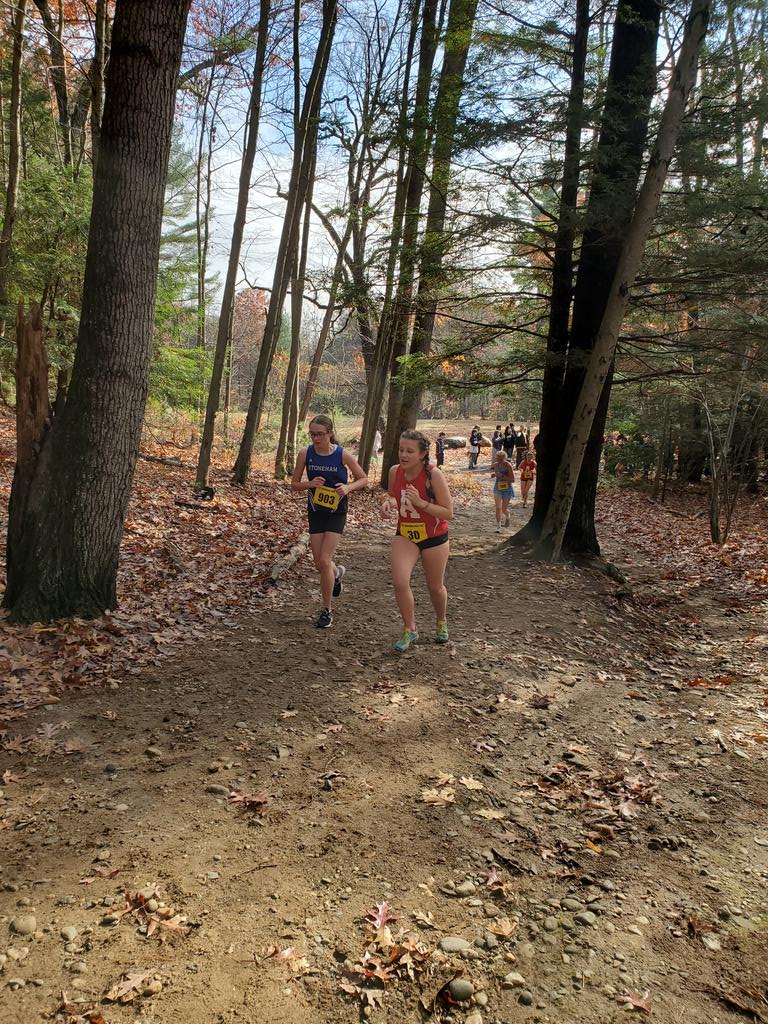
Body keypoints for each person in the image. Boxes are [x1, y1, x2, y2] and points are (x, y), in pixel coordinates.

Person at [292, 414, 367, 628]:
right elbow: (294, 484)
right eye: (313, 434)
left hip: (337, 512)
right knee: (320, 564)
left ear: (330, 434)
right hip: (316, 511)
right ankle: (337, 573)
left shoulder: (343, 455)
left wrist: (347, 488)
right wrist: (310, 484)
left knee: (324, 560)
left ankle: (326, 610)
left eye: (320, 434)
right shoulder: (306, 453)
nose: (316, 438)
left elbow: (364, 479)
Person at [381, 429, 453, 652]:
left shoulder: (434, 475)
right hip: (406, 534)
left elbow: (448, 512)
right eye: (401, 449)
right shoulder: (395, 471)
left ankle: (441, 622)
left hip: (434, 537)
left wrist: (422, 504)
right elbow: (394, 494)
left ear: (422, 454)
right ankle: (410, 628)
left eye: (409, 451)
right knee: (400, 581)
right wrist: (389, 503)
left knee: (434, 586)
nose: (403, 455)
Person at [490, 449, 515, 531]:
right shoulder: (495, 465)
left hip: (507, 489)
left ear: (505, 458)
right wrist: (494, 475)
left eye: (501, 459)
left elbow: (512, 479)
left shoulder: (508, 466)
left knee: (504, 509)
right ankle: (498, 526)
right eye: (498, 459)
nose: (499, 461)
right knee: (498, 507)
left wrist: (503, 476)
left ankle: (508, 516)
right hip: (498, 488)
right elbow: (495, 474)